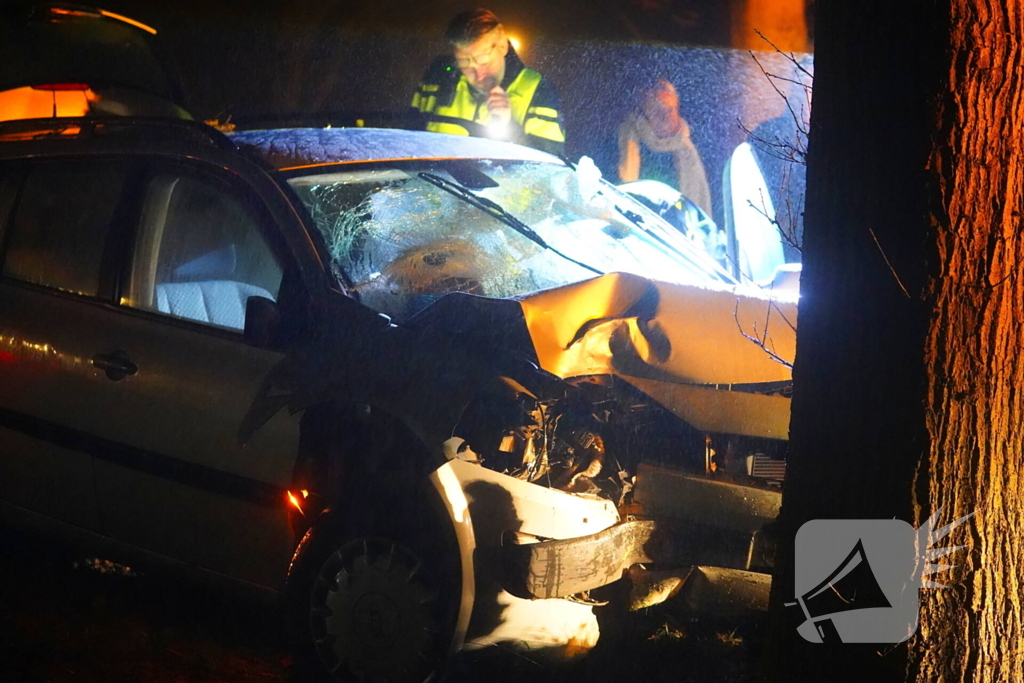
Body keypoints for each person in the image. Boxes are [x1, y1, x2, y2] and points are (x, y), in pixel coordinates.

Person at [410, 9, 566, 154]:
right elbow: (410, 139)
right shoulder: (438, 79)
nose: (478, 75)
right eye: (464, 63)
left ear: (502, 46)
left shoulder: (538, 90)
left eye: (484, 61)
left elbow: (550, 163)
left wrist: (509, 125)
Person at [617, 79, 713, 218]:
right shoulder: (629, 142)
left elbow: (699, 207)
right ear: (645, 116)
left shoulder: (687, 150)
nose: (665, 116)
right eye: (657, 111)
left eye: (670, 110)